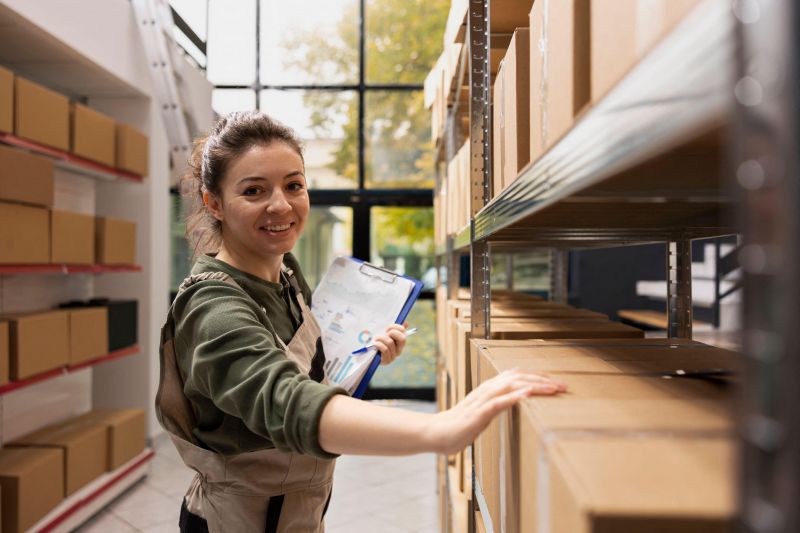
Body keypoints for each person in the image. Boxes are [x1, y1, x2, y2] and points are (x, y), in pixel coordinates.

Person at [156, 110, 567, 533]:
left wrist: (361, 357)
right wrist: (439, 430)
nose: (280, 204)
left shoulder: (286, 276)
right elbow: (285, 400)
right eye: (254, 190)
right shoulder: (213, 306)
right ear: (214, 204)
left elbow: (308, 371)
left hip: (295, 511)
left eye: (293, 185)